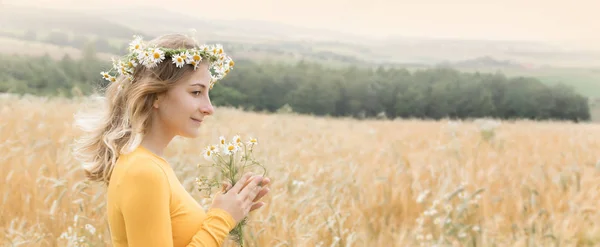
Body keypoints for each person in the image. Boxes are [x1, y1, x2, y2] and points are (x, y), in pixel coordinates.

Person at [72, 33, 271, 247]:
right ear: (156, 94)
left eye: (208, 93)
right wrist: (221, 218)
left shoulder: (149, 164)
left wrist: (230, 211)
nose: (208, 108)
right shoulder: (144, 171)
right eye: (196, 92)